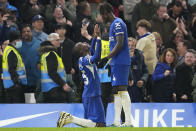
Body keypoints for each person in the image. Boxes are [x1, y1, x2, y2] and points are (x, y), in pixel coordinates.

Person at [57, 24, 106, 127]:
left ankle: (70, 118)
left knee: (92, 123)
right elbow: (96, 56)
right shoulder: (85, 59)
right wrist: (99, 38)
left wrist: (95, 36)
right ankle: (70, 118)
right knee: (100, 124)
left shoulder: (83, 59)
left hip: (89, 93)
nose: (85, 42)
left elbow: (92, 50)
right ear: (81, 51)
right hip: (93, 93)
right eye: (82, 43)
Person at [99, 2, 133, 127]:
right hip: (116, 62)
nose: (102, 18)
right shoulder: (114, 24)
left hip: (121, 61)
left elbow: (120, 43)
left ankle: (128, 121)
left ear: (107, 13)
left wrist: (107, 57)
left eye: (102, 15)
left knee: (122, 90)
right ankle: (117, 122)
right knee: (118, 91)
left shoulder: (118, 23)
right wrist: (109, 61)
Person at [38, 33, 71, 103]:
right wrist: (63, 84)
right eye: (57, 40)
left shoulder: (45, 54)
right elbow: (52, 72)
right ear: (51, 42)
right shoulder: (51, 54)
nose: (59, 42)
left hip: (47, 88)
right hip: (55, 89)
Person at [2, 30, 27, 103]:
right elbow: (11, 69)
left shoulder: (8, 50)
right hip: (14, 87)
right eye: (19, 39)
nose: (20, 41)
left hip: (10, 85)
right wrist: (17, 82)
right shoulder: (11, 51)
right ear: (14, 40)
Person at [136, 19, 157, 102]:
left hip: (143, 71)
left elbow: (136, 55)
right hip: (152, 69)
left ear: (142, 28)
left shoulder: (143, 40)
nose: (137, 31)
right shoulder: (152, 38)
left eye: (138, 28)